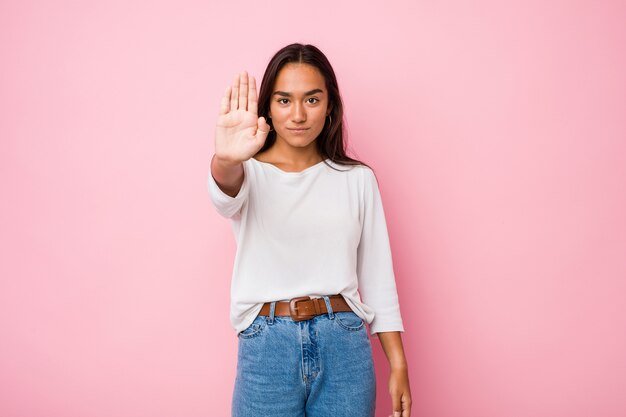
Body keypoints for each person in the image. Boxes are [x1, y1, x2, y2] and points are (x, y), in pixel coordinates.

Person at [207, 43, 412, 417]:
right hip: (266, 346)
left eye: (312, 100)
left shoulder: (358, 180)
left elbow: (378, 277)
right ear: (267, 105)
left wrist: (398, 363)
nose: (298, 115)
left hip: (344, 346)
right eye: (284, 101)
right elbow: (225, 194)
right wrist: (225, 159)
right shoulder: (248, 173)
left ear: (330, 104)